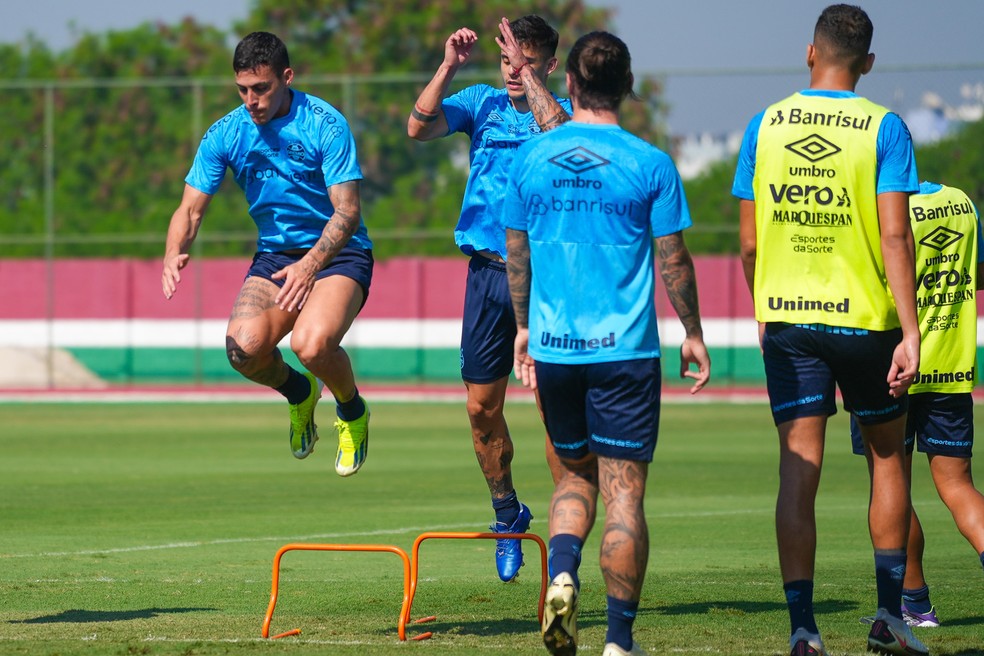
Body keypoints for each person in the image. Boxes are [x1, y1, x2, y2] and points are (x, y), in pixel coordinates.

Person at [732, 5, 930, 656]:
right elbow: (897, 234)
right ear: (867, 63)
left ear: (809, 53)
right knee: (885, 458)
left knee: (800, 470)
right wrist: (912, 330)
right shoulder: (883, 127)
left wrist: (765, 307)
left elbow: (750, 241)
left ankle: (803, 629)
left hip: (788, 319)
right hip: (865, 321)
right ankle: (887, 617)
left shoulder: (765, 124)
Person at [506, 31, 711, 656]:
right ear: (626, 86)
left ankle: (562, 574)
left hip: (556, 351)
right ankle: (619, 643)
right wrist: (693, 333)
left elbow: (515, 253)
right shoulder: (650, 164)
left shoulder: (532, 159)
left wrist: (522, 328)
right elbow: (673, 258)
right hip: (624, 354)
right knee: (625, 491)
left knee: (573, 478)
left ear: (570, 84)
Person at [162, 31, 371, 477]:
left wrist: (310, 265)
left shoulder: (324, 123)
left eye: (262, 88)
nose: (251, 100)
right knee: (244, 350)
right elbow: (190, 209)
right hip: (276, 257)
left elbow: (348, 212)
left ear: (287, 77)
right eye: (243, 89)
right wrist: (173, 251)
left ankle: (352, 412)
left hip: (338, 254)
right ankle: (300, 393)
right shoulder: (227, 132)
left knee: (310, 345)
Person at [407, 15, 572, 582]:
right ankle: (508, 514)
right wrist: (448, 66)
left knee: (554, 413)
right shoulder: (481, 103)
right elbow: (418, 127)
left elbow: (561, 139)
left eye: (523, 62)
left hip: (546, 281)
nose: (511, 72)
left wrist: (530, 82)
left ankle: (564, 549)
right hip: (486, 277)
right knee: (481, 409)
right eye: (506, 61)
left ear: (548, 65)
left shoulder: (563, 114)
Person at [851, 181, 984, 629]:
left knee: (892, 486)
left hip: (891, 367)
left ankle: (915, 604)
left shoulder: (879, 207)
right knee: (959, 488)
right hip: (950, 364)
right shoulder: (960, 201)